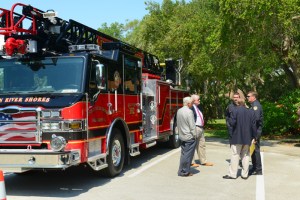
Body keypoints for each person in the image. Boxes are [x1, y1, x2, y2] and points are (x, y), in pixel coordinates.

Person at [223, 99, 257, 179]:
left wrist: (228, 120)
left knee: (235, 155)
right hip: (247, 137)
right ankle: (245, 174)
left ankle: (232, 174)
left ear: (238, 104)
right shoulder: (251, 112)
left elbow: (232, 123)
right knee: (245, 155)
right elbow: (253, 126)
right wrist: (254, 137)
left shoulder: (235, 111)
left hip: (236, 136)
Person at [190, 94, 213, 167]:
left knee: (202, 145)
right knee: (193, 145)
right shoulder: (191, 108)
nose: (199, 100)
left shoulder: (198, 107)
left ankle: (203, 161)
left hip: (201, 128)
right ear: (193, 101)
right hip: (195, 128)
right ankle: (191, 162)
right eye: (198, 99)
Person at [177, 96, 197, 177]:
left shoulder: (179, 110)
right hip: (189, 136)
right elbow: (192, 125)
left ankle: (181, 170)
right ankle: (184, 171)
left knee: (184, 154)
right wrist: (195, 135)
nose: (192, 104)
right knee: (188, 155)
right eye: (192, 103)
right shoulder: (189, 112)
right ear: (188, 104)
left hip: (182, 135)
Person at [247, 91, 264, 175]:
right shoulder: (253, 105)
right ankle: (254, 167)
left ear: (254, 97)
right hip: (254, 130)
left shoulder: (256, 106)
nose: (247, 97)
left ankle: (258, 169)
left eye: (248, 96)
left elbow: (256, 119)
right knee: (253, 150)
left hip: (256, 131)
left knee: (256, 150)